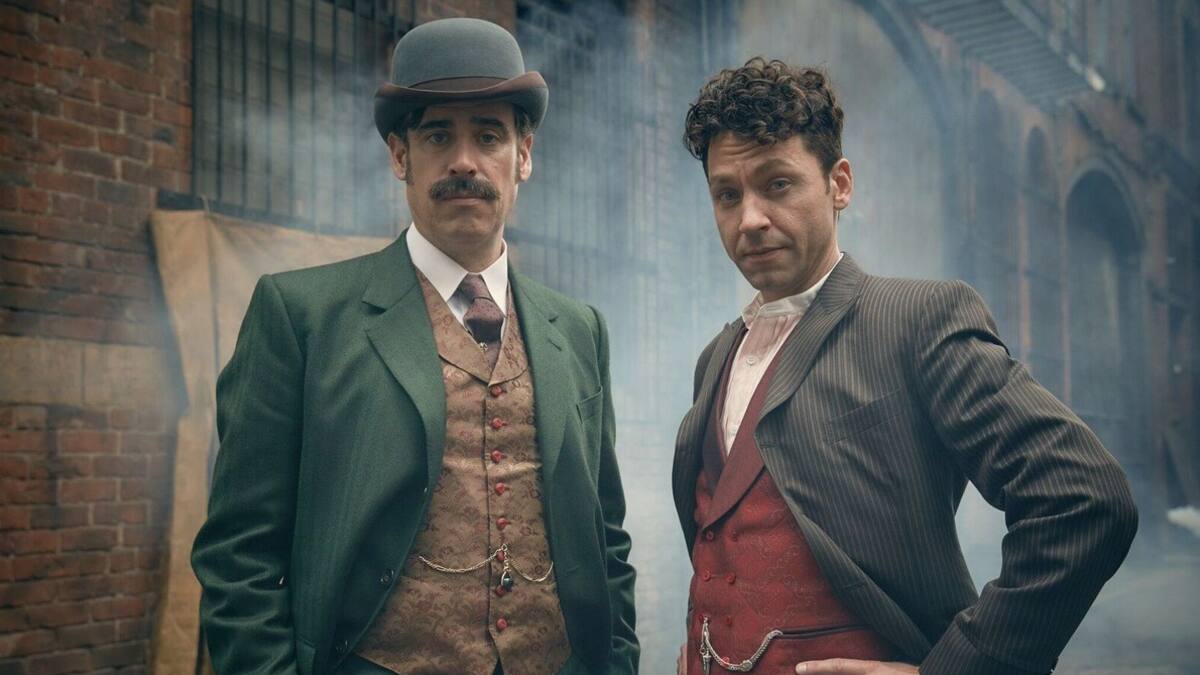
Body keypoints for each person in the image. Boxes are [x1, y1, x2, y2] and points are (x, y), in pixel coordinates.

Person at [192, 18, 637, 675]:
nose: (464, 162)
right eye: (437, 136)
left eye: (489, 136)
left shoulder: (578, 329)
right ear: (400, 156)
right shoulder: (301, 316)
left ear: (524, 156)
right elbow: (239, 554)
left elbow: (607, 538)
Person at [671, 57, 1137, 675]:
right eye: (727, 195)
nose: (750, 219)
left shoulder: (919, 319)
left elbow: (1086, 499)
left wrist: (957, 669)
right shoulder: (715, 358)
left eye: (777, 184)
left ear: (839, 184)